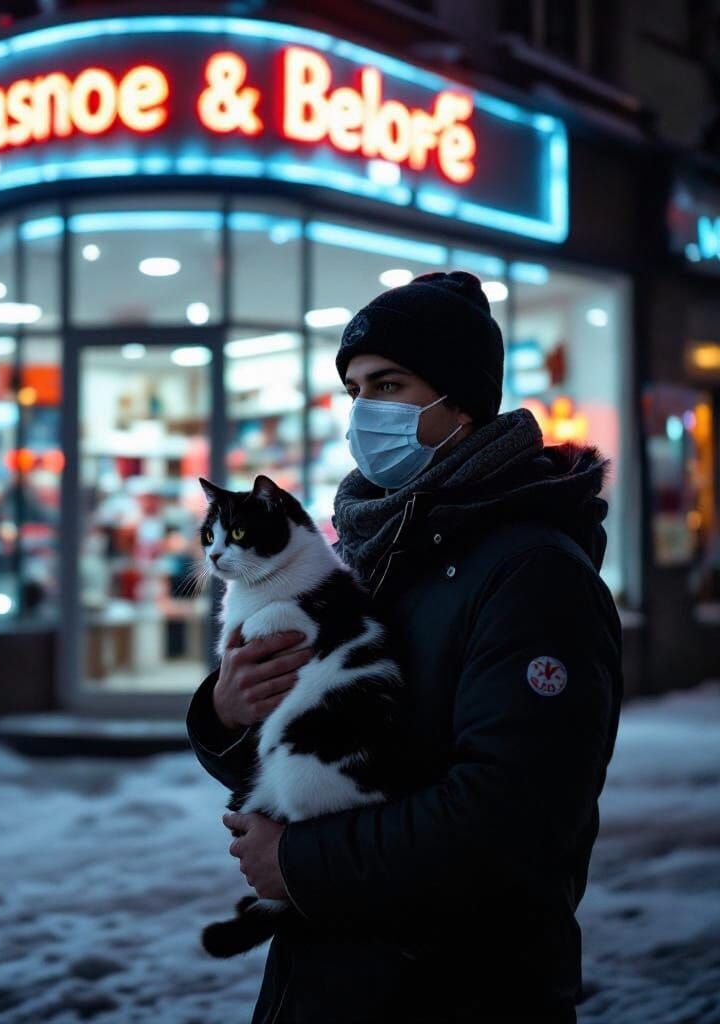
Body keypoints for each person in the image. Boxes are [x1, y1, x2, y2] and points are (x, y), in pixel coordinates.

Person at [186, 271, 623, 1023]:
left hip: (454, 990)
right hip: (344, 975)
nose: (364, 411)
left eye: (388, 385)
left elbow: (512, 821)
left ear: (459, 401)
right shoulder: (384, 546)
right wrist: (224, 715)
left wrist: (297, 861)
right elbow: (346, 735)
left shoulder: (534, 573)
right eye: (354, 389)